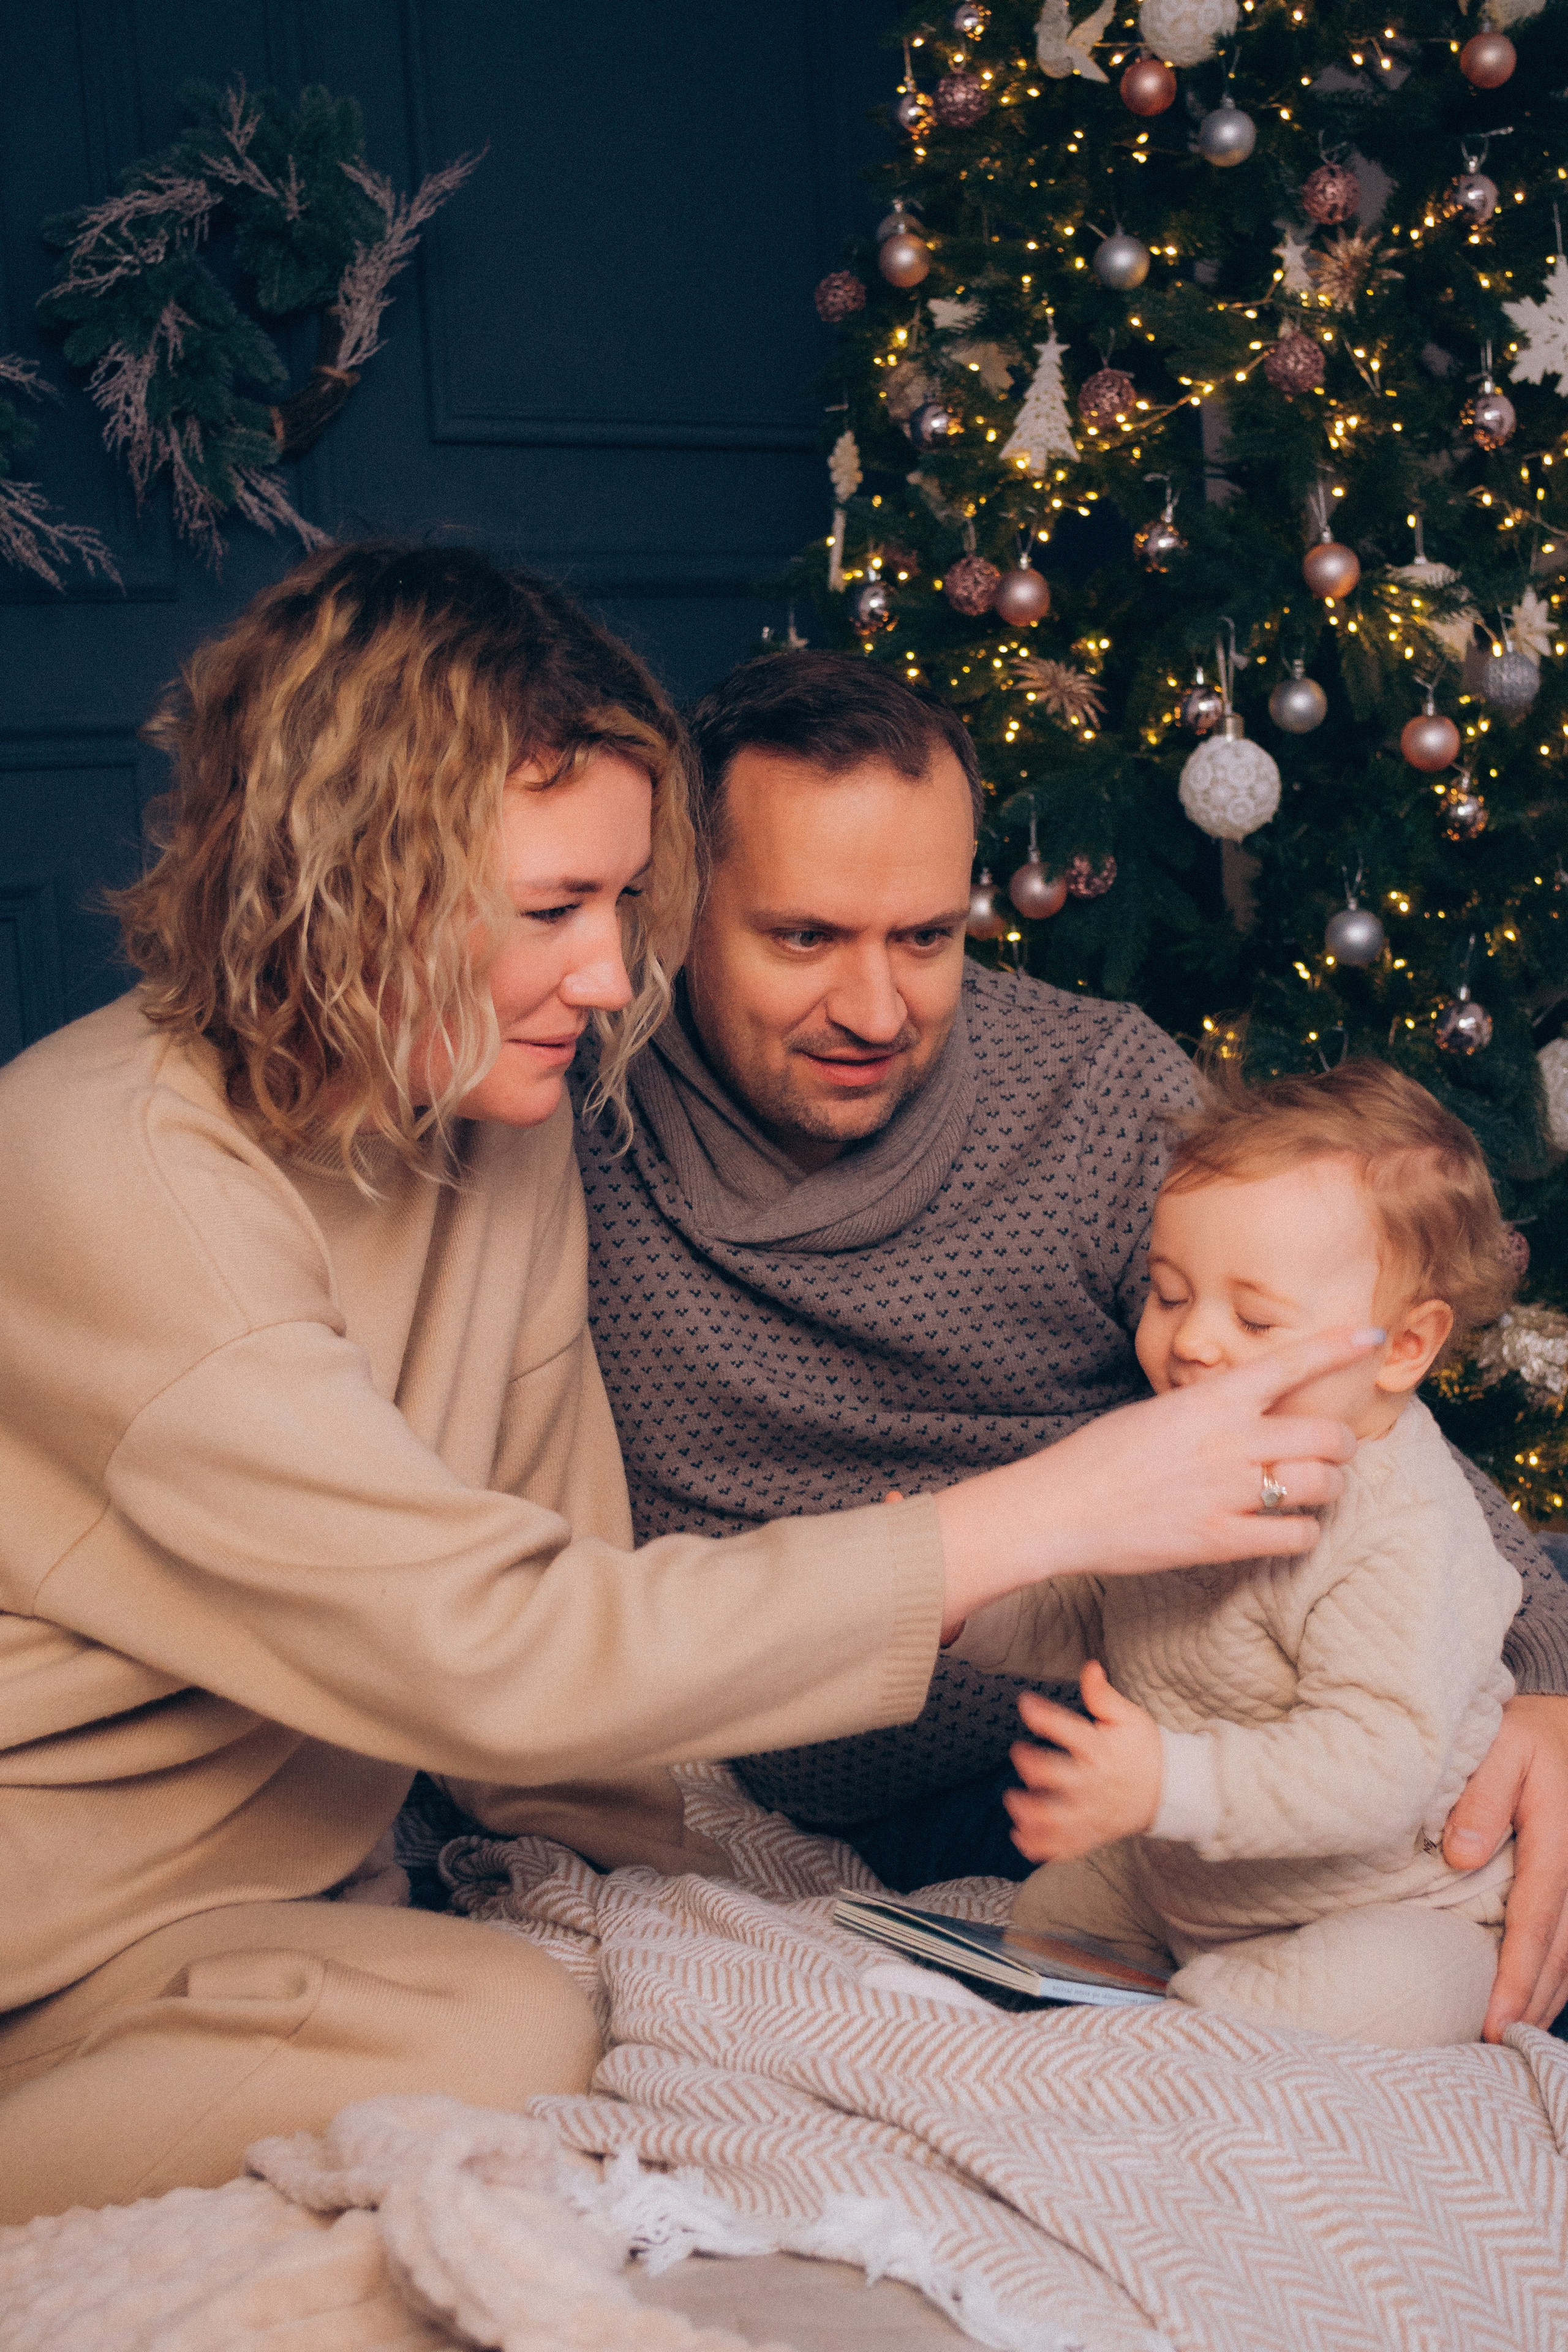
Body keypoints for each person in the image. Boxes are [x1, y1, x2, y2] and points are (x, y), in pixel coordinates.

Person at [0, 546, 1369, 2225]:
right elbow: (497, 1651)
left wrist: (765, 1934)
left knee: (546, 2010)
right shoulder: (114, 1179)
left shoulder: (485, 1119)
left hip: (280, 1912)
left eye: (623, 905)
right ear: (353, 882)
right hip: (46, 1939)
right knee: (516, 2042)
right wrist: (1037, 1519)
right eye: (554, 910)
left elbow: (560, 1639)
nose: (606, 976)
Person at [572, 647, 1568, 2041]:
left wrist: (1547, 1688)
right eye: (803, 938)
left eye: (924, 938)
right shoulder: (568, 1116)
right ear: (673, 908)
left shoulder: (1091, 1089)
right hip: (872, 1790)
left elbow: (1350, 1405)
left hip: (1181, 1730)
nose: (874, 1010)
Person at [982, 1061, 1521, 2047]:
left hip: (1384, 1905)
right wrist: (965, 1595)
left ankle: (1189, 2046)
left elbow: (1374, 1768)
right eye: (1171, 1295)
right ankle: (1115, 2018)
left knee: (1338, 1999)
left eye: (1256, 1319)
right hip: (1192, 1880)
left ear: (1403, 1348)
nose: (1196, 1344)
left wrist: (1164, 1783)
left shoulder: (1402, 1528)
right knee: (1045, 1923)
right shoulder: (1187, 1460)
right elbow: (1091, 1610)